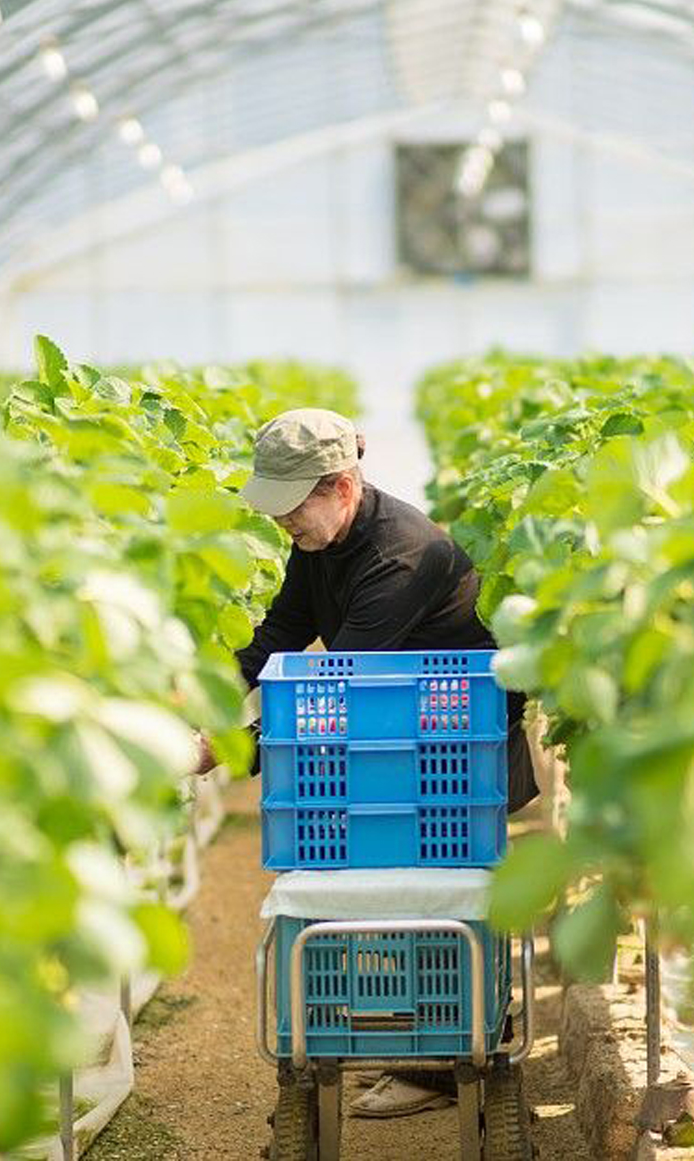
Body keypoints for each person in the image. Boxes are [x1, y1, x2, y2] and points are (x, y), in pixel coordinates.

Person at [197, 407, 538, 1118]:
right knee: (386, 884)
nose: (283, 521)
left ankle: (441, 1061)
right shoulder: (320, 543)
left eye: (293, 505)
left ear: (342, 485)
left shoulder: (401, 552)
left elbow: (340, 686)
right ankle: (415, 1040)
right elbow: (280, 636)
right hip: (395, 739)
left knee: (430, 883)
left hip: (452, 749)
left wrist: (227, 750)